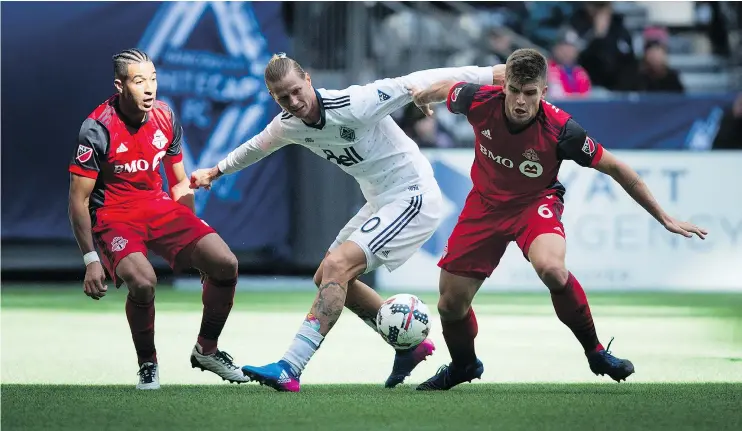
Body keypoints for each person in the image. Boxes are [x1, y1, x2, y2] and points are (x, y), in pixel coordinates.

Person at [190, 53, 506, 392]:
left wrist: (490, 74)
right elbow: (256, 147)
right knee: (325, 274)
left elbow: (418, 77)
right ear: (273, 97)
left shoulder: (355, 102)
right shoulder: (288, 124)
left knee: (338, 266)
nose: (294, 101)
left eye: (297, 90)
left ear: (309, 79)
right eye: (283, 97)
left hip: (412, 195)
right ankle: (408, 346)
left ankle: (289, 367)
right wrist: (216, 170)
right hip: (380, 200)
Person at [409, 48, 708, 390]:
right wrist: (424, 96)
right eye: (515, 91)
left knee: (552, 268)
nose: (520, 102)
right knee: (449, 305)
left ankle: (595, 352)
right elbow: (450, 86)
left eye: (530, 93)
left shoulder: (562, 130)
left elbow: (618, 168)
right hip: (484, 204)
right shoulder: (477, 100)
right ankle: (464, 366)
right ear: (504, 85)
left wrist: (664, 217)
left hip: (534, 204)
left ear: (544, 92)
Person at [68, 48, 250, 390]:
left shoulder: (166, 116)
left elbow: (179, 181)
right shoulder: (96, 129)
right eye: (139, 81)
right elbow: (77, 201)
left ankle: (206, 350)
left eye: (153, 79)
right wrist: (90, 259)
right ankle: (148, 364)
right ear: (120, 86)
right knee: (143, 281)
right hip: (114, 216)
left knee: (225, 263)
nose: (150, 88)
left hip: (158, 206)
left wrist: (193, 243)